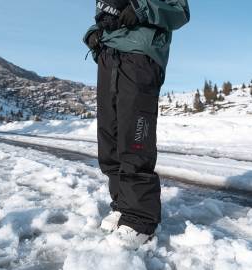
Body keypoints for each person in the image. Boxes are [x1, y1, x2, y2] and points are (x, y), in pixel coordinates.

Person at [83, 0, 190, 250]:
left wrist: (142, 9)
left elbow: (180, 12)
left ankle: (140, 219)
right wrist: (92, 33)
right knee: (109, 137)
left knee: (135, 137)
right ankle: (122, 205)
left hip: (141, 55)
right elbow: (105, 15)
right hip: (109, 55)